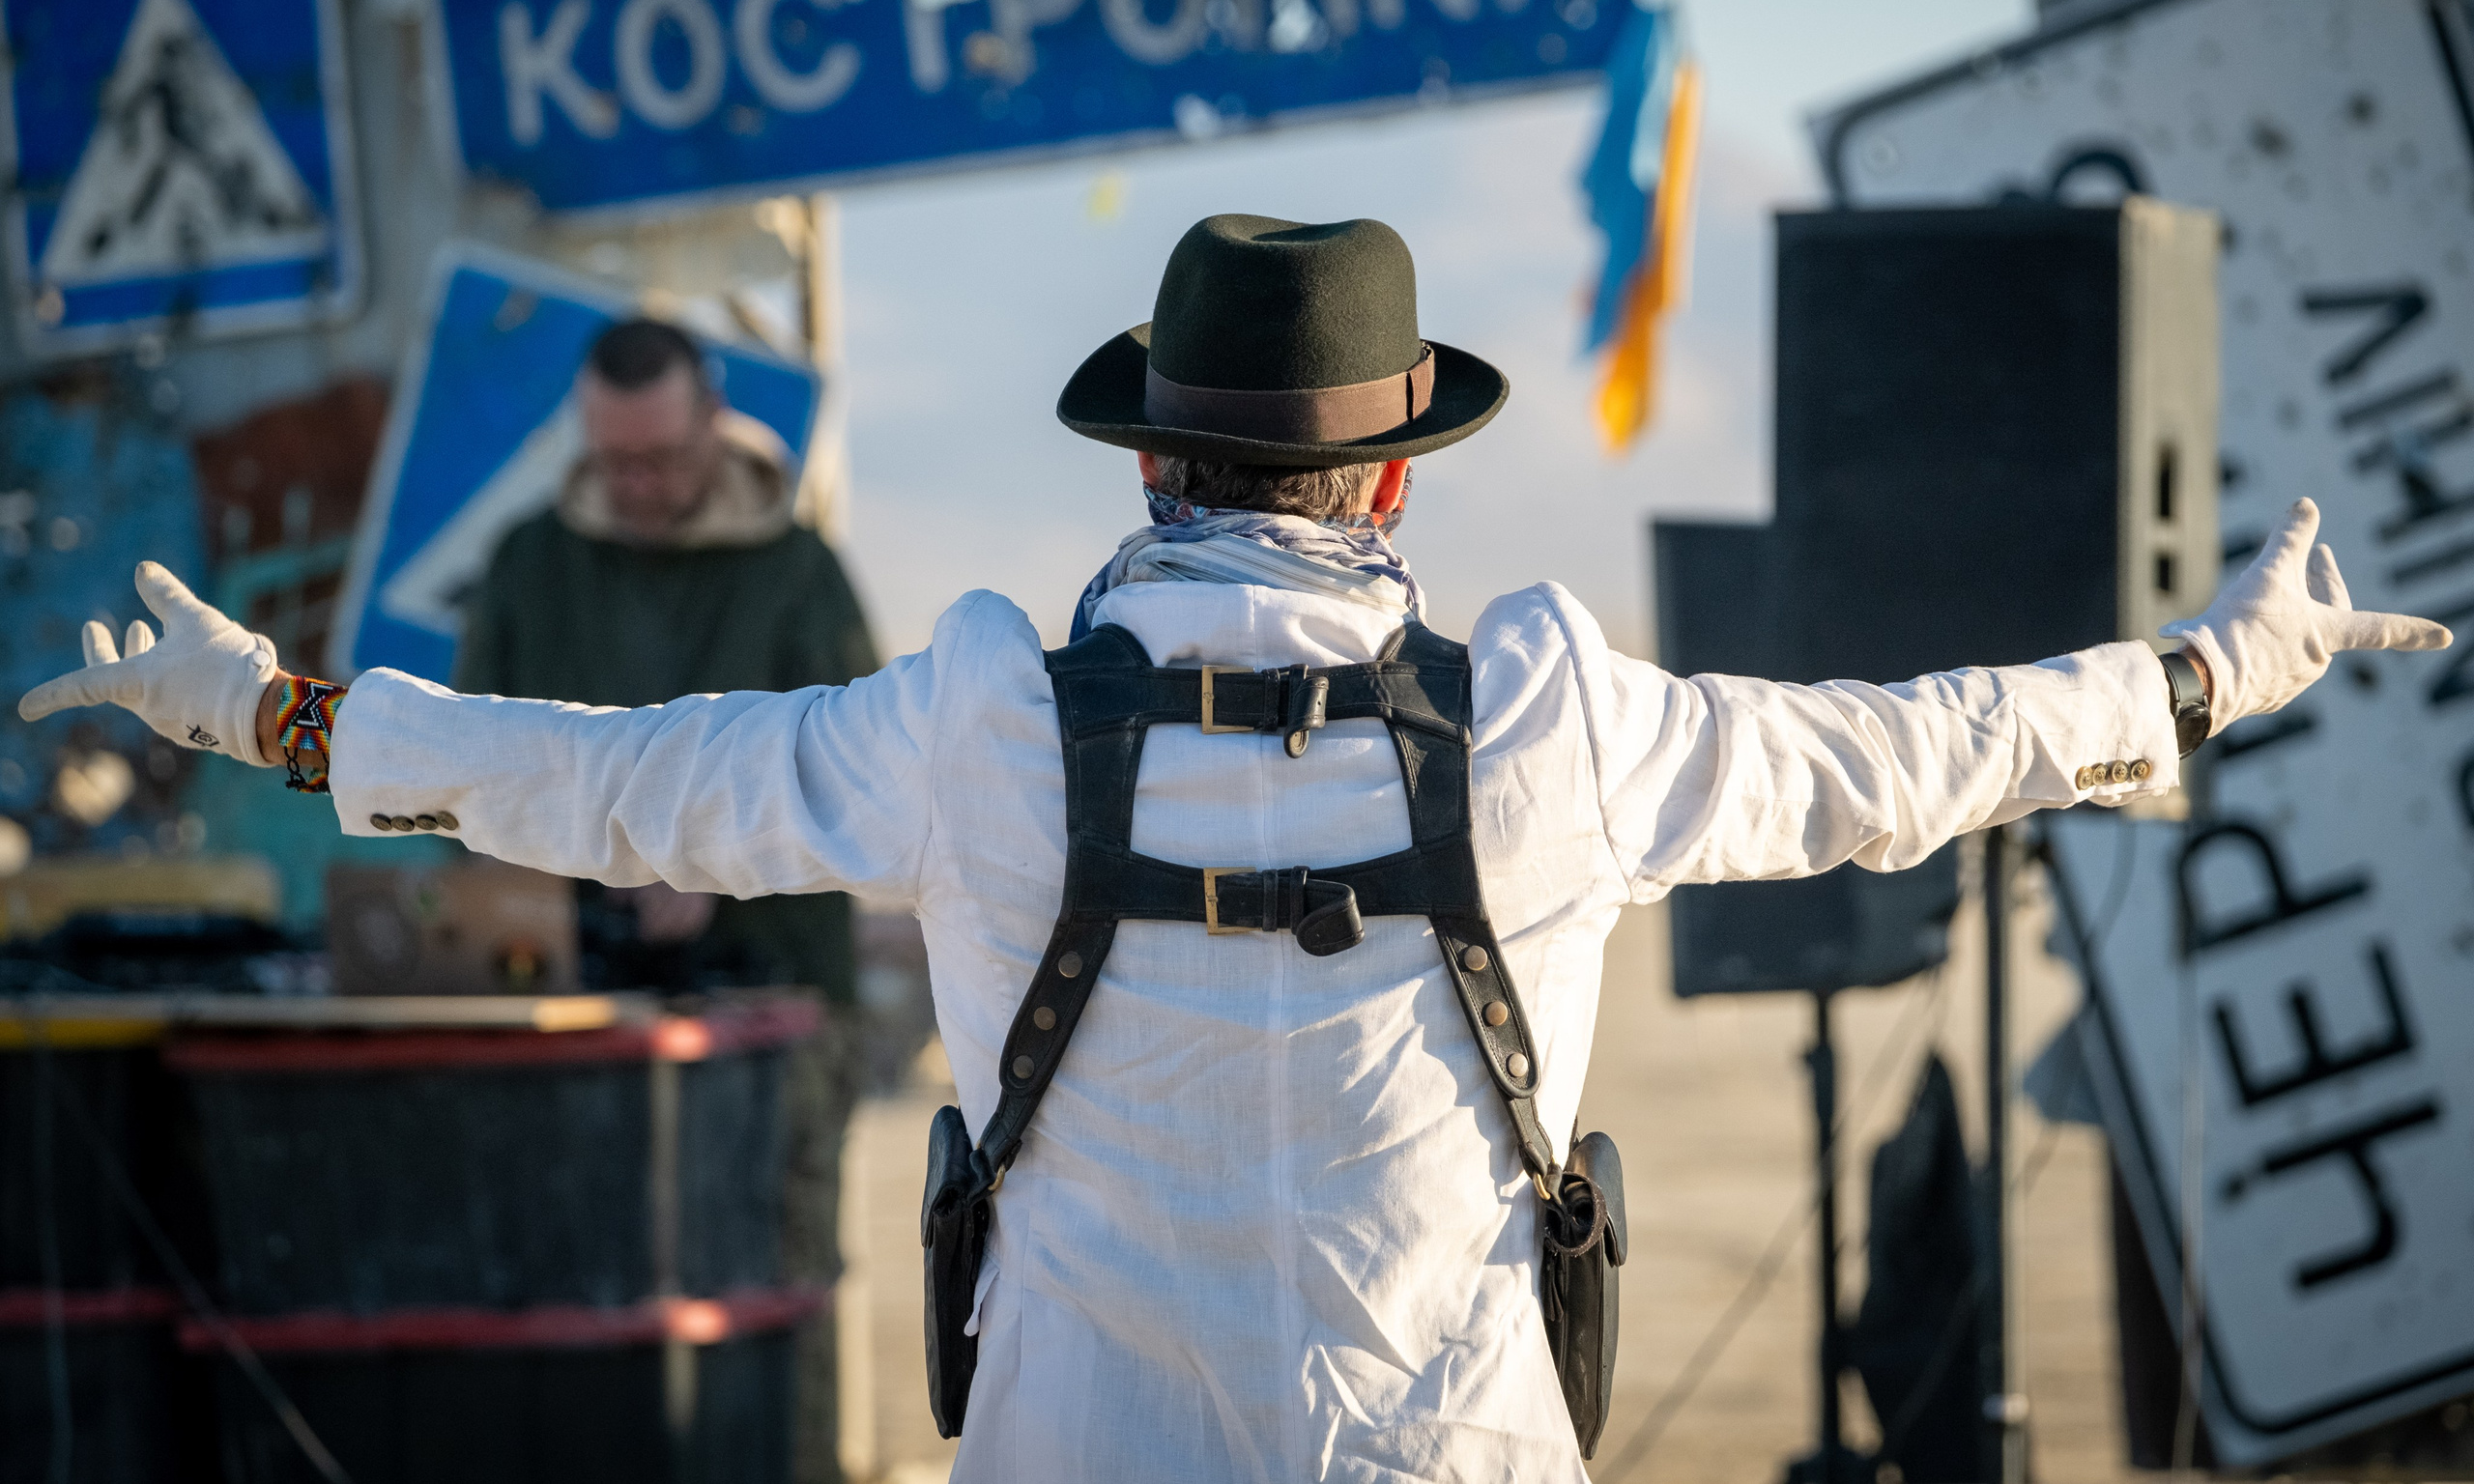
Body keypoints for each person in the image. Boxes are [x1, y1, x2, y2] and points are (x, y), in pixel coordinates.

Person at [23, 214, 2448, 1483]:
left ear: (1150, 462)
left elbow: (623, 773)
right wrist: (2208, 671)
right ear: (1394, 475)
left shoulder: (986, 716)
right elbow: (1908, 749)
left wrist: (278, 709)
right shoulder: (1546, 720)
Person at [453, 314, 879, 1484]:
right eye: (615, 461)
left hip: (777, 995)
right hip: (567, 1004)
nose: (638, 486)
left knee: (771, 1280)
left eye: (663, 459)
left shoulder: (798, 570)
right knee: (570, 1286)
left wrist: (717, 859)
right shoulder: (529, 564)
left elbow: (872, 784)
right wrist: (519, 867)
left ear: (715, 427)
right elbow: (462, 772)